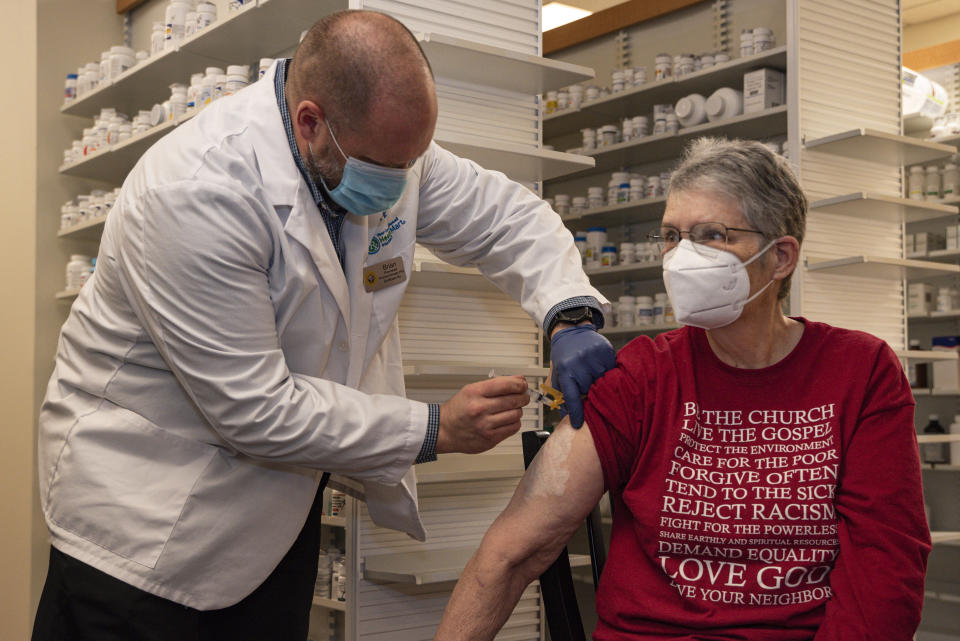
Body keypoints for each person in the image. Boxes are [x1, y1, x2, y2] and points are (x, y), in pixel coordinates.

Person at [33, 10, 615, 641]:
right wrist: (434, 428)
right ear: (311, 122)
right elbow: (255, 411)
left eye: (411, 163)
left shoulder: (381, 151)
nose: (399, 187)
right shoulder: (195, 191)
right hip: (145, 528)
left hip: (272, 518)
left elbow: (506, 219)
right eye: (383, 168)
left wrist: (570, 315)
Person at [435, 138, 931, 641]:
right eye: (672, 235)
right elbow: (512, 552)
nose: (681, 257)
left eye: (711, 234)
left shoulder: (859, 370)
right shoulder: (643, 378)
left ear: (781, 257)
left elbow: (885, 570)